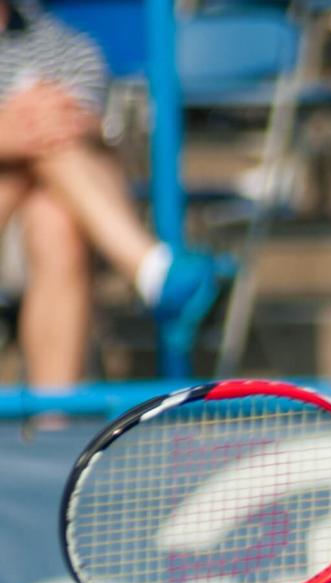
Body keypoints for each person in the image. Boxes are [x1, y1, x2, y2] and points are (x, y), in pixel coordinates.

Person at [0, 0, 222, 393]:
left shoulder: (69, 46)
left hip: (32, 232)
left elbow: (75, 127)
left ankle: (53, 428)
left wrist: (28, 131)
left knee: (55, 215)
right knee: (38, 148)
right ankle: (151, 269)